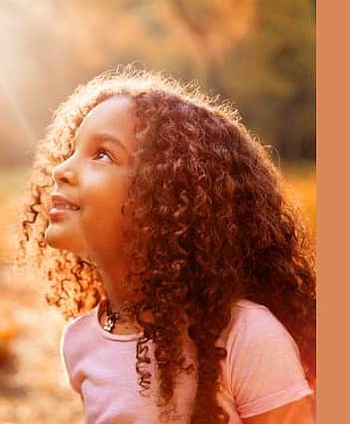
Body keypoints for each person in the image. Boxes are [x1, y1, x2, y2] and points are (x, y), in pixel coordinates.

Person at [18, 67, 315, 423]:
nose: (61, 170)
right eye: (71, 151)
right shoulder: (80, 341)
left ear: (166, 198)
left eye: (102, 154)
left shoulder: (247, 335)